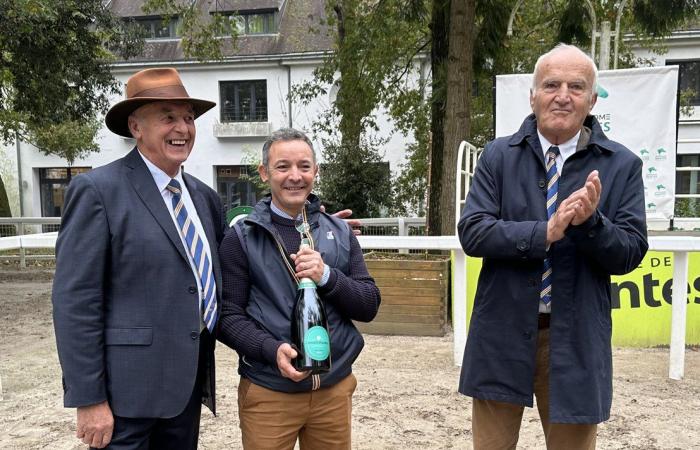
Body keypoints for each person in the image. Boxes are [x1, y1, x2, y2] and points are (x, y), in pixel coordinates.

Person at [457, 44, 648, 449]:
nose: (563, 95)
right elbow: (473, 232)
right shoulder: (497, 156)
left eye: (576, 86)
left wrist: (590, 224)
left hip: (576, 339)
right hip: (501, 332)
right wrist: (546, 231)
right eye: (551, 84)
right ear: (533, 95)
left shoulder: (621, 165)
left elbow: (630, 252)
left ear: (593, 100)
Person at [52, 68, 226, 449]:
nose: (182, 127)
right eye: (167, 116)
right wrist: (89, 398)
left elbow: (222, 274)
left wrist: (307, 222)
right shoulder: (97, 191)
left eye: (187, 118)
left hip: (184, 392)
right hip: (124, 401)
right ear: (136, 126)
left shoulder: (204, 198)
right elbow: (75, 302)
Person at [217, 127, 381, 449]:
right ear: (264, 173)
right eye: (283, 167)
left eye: (304, 166)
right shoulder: (241, 238)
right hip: (269, 393)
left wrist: (327, 277)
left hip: (333, 391)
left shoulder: (339, 233)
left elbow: (369, 305)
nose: (295, 176)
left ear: (316, 171)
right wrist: (270, 349)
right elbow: (227, 316)